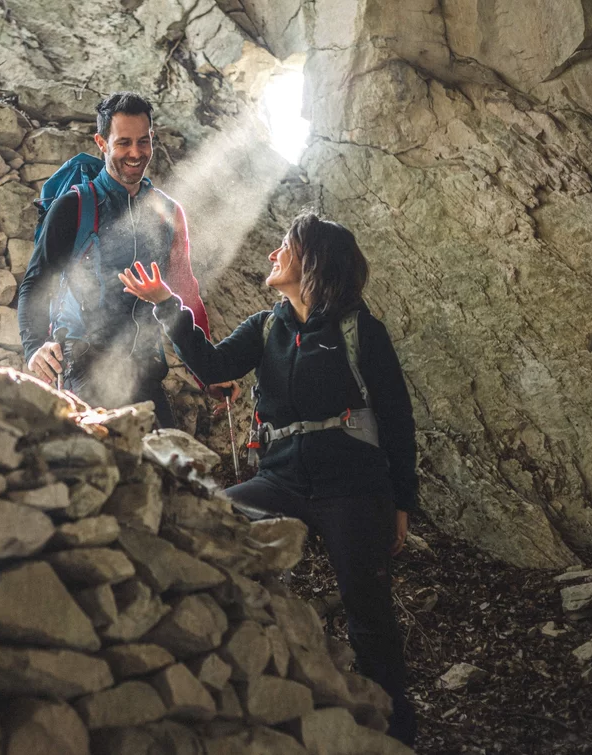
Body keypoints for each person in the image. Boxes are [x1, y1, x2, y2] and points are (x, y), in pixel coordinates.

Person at [119, 212, 419, 746]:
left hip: (354, 487)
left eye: (285, 246)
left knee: (368, 613)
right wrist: (167, 304)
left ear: (313, 262)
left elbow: (396, 418)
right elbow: (211, 367)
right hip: (279, 481)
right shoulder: (265, 326)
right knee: (207, 521)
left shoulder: (360, 332)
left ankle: (396, 734)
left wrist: (401, 503)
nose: (272, 254)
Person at [16, 92, 236, 427]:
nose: (135, 153)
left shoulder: (168, 214)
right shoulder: (73, 208)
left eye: (143, 141)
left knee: (169, 470)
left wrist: (208, 371)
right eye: (124, 143)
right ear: (101, 143)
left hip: (145, 369)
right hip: (83, 367)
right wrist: (34, 348)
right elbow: (36, 282)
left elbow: (185, 295)